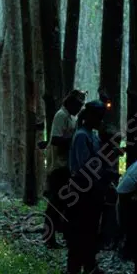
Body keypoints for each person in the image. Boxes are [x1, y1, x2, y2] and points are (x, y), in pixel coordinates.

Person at [64, 100, 113, 274]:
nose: (101, 121)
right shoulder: (81, 136)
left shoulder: (93, 136)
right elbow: (86, 166)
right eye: (98, 117)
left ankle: (90, 266)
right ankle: (73, 269)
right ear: (90, 116)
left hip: (93, 190)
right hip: (81, 190)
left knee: (91, 230)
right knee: (80, 230)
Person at [37, 89, 85, 248]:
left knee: (65, 203)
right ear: (70, 102)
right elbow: (56, 139)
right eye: (78, 104)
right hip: (58, 166)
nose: (79, 108)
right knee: (55, 203)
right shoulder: (61, 116)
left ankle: (62, 234)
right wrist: (75, 141)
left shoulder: (70, 118)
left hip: (66, 166)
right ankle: (48, 238)